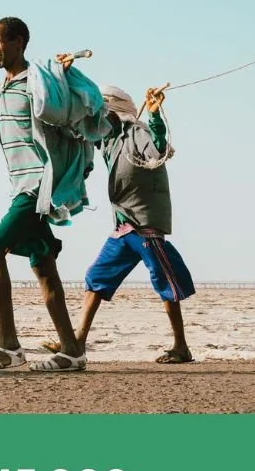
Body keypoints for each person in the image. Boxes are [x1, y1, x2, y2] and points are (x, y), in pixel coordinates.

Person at [0, 16, 102, 372]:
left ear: (19, 42)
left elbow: (64, 117)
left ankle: (8, 345)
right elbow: (6, 140)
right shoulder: (5, 91)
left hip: (36, 188)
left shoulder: (36, 83)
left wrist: (59, 73)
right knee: (44, 268)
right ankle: (72, 350)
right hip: (20, 188)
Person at [51, 82, 197, 363]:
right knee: (96, 278)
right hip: (123, 225)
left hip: (144, 222)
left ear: (114, 111)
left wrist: (154, 116)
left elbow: (158, 151)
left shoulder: (138, 132)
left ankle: (181, 346)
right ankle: (78, 342)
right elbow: (75, 129)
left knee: (165, 280)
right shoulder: (107, 138)